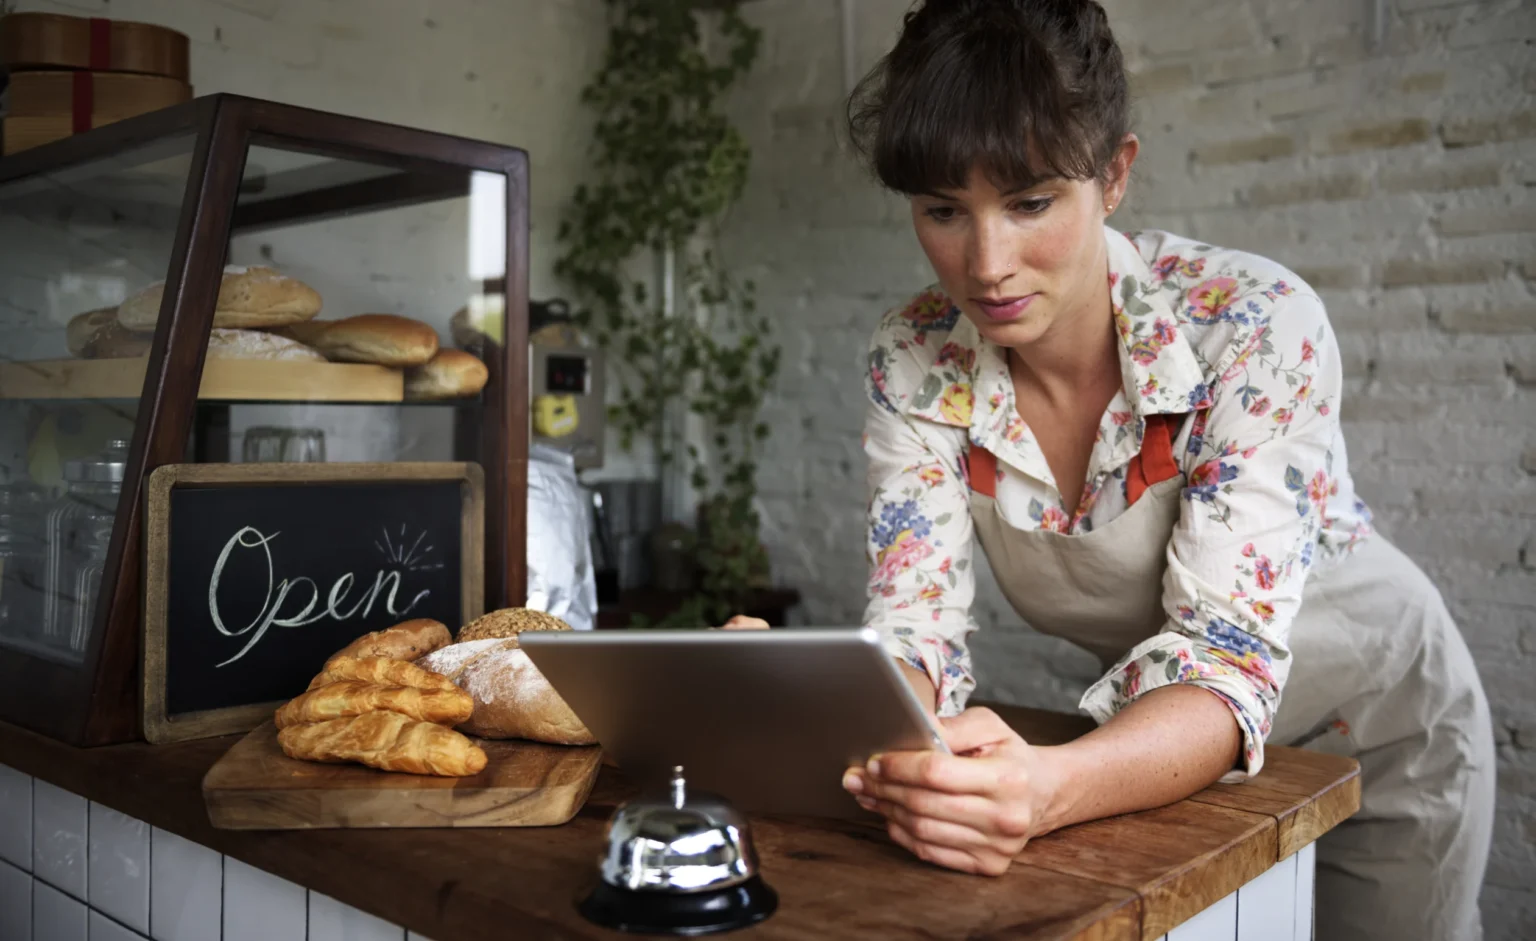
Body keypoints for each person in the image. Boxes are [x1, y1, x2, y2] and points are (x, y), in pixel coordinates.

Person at [724, 1, 1496, 938]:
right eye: (942, 211)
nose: (987, 263)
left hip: (1378, 735)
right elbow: (917, 627)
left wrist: (1047, 787)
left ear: (1114, 174)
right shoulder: (917, 359)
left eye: (1030, 201)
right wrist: (836, 713)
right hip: (1157, 759)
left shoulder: (1252, 327)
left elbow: (1223, 655)